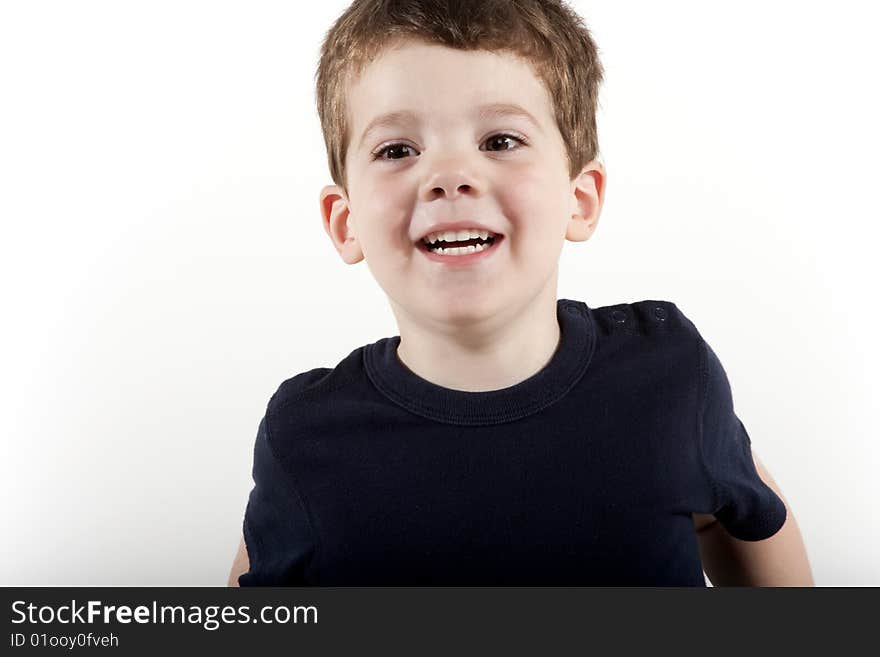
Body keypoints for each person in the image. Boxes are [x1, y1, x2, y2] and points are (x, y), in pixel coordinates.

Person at [228, 0, 813, 586]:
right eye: (398, 150)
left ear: (579, 199)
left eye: (501, 141)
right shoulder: (306, 435)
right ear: (345, 220)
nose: (450, 174)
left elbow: (742, 520)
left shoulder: (669, 374)